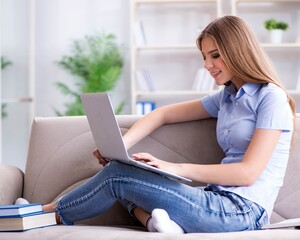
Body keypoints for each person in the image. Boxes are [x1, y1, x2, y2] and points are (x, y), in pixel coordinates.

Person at [42, 15, 295, 233]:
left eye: (215, 55)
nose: (208, 65)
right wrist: (120, 145)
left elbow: (247, 173)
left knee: (117, 178)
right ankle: (159, 224)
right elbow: (161, 115)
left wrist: (174, 167)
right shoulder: (226, 98)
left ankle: (46, 213)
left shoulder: (271, 98)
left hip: (241, 211)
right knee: (124, 174)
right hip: (215, 198)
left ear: (238, 51)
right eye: (205, 56)